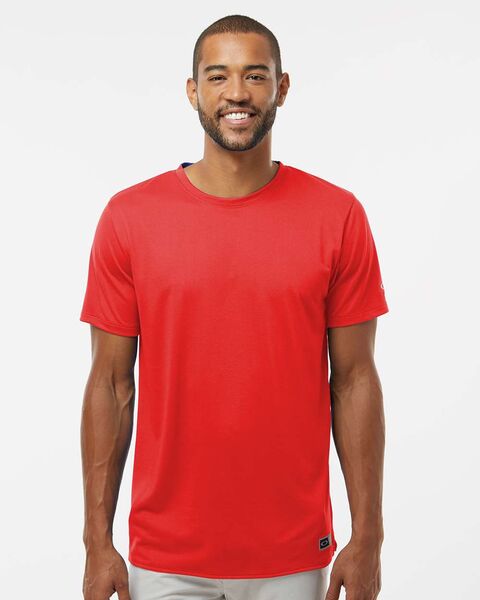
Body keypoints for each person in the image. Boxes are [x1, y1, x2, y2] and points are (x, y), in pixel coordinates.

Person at [80, 14, 389, 600]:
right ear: (193, 91)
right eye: (218, 76)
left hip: (292, 552)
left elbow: (354, 380)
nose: (237, 94)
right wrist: (97, 542)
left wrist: (368, 535)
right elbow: (111, 385)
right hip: (165, 555)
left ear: (282, 87)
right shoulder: (129, 218)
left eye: (255, 75)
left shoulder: (338, 216)